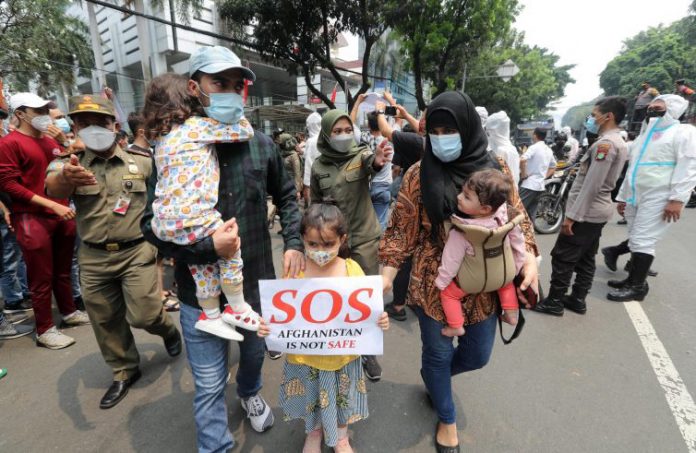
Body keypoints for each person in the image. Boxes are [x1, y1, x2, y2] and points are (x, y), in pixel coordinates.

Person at [141, 45, 304, 453]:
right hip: (199, 295)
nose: (232, 91)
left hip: (253, 289)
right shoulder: (176, 146)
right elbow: (151, 223)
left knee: (253, 358)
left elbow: (286, 196)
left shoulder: (261, 144)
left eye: (238, 84)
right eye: (220, 83)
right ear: (196, 88)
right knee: (210, 383)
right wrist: (203, 247)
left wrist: (294, 242)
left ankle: (249, 391)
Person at [379, 91, 539, 452]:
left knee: (477, 355)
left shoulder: (494, 166)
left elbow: (516, 216)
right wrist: (387, 275)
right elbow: (401, 228)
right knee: (436, 354)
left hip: (484, 281)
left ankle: (435, 379)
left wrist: (529, 258)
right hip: (435, 280)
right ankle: (446, 419)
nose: (440, 137)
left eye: (448, 129)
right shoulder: (420, 173)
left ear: (467, 128)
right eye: (433, 129)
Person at [45, 94, 182, 408]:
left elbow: (163, 202)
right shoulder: (68, 165)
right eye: (84, 123)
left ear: (114, 125)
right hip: (93, 257)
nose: (93, 128)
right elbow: (54, 187)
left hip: (136, 252)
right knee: (105, 320)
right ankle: (124, 370)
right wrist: (67, 178)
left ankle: (168, 331)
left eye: (100, 122)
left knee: (145, 313)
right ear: (75, 127)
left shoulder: (143, 162)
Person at [258, 202, 390, 453]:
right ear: (303, 241)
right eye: (313, 244)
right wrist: (268, 327)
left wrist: (379, 320)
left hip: (342, 358)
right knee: (311, 400)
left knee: (342, 400)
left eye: (328, 244)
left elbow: (368, 312)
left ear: (342, 239)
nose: (321, 251)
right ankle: (314, 434)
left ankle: (341, 437)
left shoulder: (352, 270)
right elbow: (281, 315)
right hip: (306, 358)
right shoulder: (295, 271)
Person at [146, 73, 262, 341]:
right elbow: (245, 131)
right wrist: (233, 112)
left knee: (204, 268)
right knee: (231, 251)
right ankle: (237, 307)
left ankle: (210, 316)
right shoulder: (196, 126)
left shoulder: (161, 139)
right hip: (194, 216)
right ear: (191, 94)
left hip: (164, 222)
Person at [0, 92, 89, 349]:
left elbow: (66, 169)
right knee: (40, 277)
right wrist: (51, 204)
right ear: (20, 114)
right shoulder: (9, 143)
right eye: (36, 110)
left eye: (44, 110)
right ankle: (45, 329)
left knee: (63, 270)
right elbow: (9, 185)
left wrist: (64, 145)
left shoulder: (50, 141)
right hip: (32, 217)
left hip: (62, 213)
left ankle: (69, 312)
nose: (43, 115)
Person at [310, 109, 388, 382]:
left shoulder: (361, 154)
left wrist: (378, 162)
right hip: (335, 244)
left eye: (347, 130)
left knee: (366, 298)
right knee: (338, 296)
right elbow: (314, 204)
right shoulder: (318, 166)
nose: (343, 135)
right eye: (337, 131)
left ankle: (368, 354)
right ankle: (340, 344)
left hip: (365, 238)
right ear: (327, 134)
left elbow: (372, 164)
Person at [534, 97, 629, 316]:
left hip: (587, 212)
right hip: (596, 212)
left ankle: (555, 301)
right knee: (586, 256)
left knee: (563, 256)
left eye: (594, 115)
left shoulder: (606, 144)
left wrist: (572, 217)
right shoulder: (614, 141)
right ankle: (577, 299)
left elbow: (592, 185)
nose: (592, 119)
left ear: (609, 116)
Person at [607, 94, 696, 302]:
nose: (651, 109)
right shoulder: (647, 134)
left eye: (657, 106)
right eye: (651, 105)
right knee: (635, 235)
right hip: (637, 194)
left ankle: (637, 287)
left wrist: (677, 199)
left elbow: (689, 166)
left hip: (660, 195)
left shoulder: (683, 132)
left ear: (672, 109)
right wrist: (624, 198)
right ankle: (631, 280)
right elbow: (633, 168)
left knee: (642, 240)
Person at [435, 169, 525, 337]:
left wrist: (441, 282)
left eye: (467, 196)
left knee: (448, 294)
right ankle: (512, 314)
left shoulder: (463, 231)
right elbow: (519, 244)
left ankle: (456, 326)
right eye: (462, 192)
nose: (459, 197)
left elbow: (451, 261)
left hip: (471, 282)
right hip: (502, 276)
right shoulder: (505, 220)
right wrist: (516, 268)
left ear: (485, 208)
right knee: (506, 284)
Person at [374, 101, 426, 322]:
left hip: (411, 214)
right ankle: (408, 300)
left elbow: (386, 130)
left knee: (404, 258)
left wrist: (379, 110)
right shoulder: (423, 146)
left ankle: (398, 304)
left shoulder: (415, 143)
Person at [355, 110, 393, 231]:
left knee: (363, 224)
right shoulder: (390, 141)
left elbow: (350, 123)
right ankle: (378, 248)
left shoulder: (363, 139)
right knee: (380, 224)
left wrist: (359, 101)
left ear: (369, 125)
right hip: (383, 186)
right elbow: (398, 120)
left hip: (364, 187)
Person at [0, 195, 31, 316]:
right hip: (4, 218)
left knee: (17, 259)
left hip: (10, 214)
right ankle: (13, 301)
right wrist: (5, 210)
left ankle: (21, 294)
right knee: (9, 261)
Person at [519, 127, 556, 219]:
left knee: (517, 210)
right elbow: (553, 167)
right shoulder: (548, 150)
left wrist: (523, 174)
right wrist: (543, 177)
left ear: (535, 135)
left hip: (529, 184)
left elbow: (522, 160)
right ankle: (529, 232)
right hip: (540, 186)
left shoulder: (534, 147)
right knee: (531, 213)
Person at [486, 111, 520, 186]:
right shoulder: (511, 148)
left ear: (495, 131)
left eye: (489, 132)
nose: (489, 135)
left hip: (505, 192)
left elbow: (504, 176)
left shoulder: (502, 150)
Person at [302, 112, 322, 205]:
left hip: (315, 184)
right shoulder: (326, 138)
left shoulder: (311, 141)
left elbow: (308, 167)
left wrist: (306, 189)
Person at [277, 131, 303, 201]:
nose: (279, 143)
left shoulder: (293, 156)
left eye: (281, 141)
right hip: (283, 185)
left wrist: (297, 191)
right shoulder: (282, 154)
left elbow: (297, 173)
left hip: (292, 187)